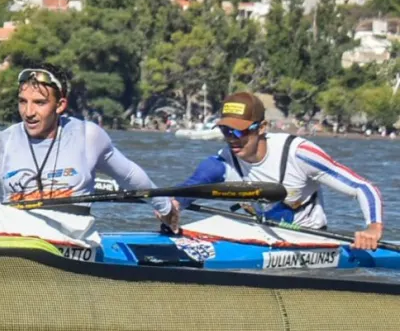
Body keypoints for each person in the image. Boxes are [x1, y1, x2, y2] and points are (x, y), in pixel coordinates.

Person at [0, 68, 176, 222]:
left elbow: (130, 176)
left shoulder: (88, 137)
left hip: (73, 241)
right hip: (17, 240)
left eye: (39, 103)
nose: (28, 112)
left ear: (60, 105)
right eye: (22, 102)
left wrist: (165, 208)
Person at [161, 91, 384, 250]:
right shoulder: (219, 164)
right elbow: (186, 191)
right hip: (260, 236)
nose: (232, 139)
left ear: (262, 128)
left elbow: (362, 187)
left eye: (238, 132)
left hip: (308, 240)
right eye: (225, 130)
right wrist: (172, 208)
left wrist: (373, 228)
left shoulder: (299, 154)